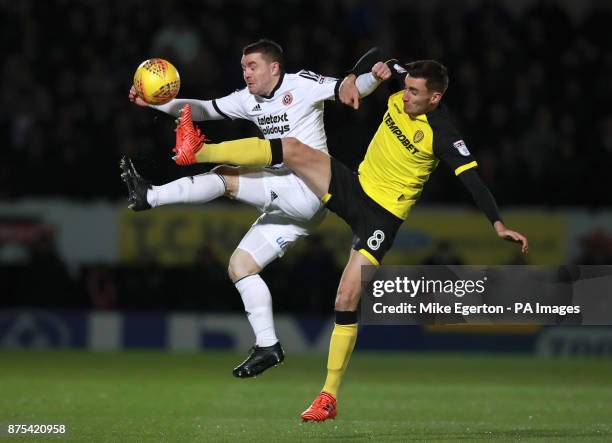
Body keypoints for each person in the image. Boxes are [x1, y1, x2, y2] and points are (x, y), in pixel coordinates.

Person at [170, 51, 529, 421]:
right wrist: (367, 73)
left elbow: (471, 179)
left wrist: (498, 224)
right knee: (292, 149)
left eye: (414, 94)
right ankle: (198, 151)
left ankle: (328, 397)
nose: (405, 97)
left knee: (346, 297)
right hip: (355, 187)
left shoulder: (443, 133)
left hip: (382, 218)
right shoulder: (404, 82)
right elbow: (377, 60)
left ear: (435, 98)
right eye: (404, 90)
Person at [122, 40, 389, 378]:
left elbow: (349, 87)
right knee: (240, 266)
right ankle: (268, 345)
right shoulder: (247, 100)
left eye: (252, 66)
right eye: (243, 67)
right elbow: (201, 110)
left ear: (274, 68)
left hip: (309, 188)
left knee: (226, 178)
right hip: (292, 204)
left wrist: (374, 78)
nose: (245, 72)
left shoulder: (301, 85)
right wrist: (155, 103)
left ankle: (150, 197)